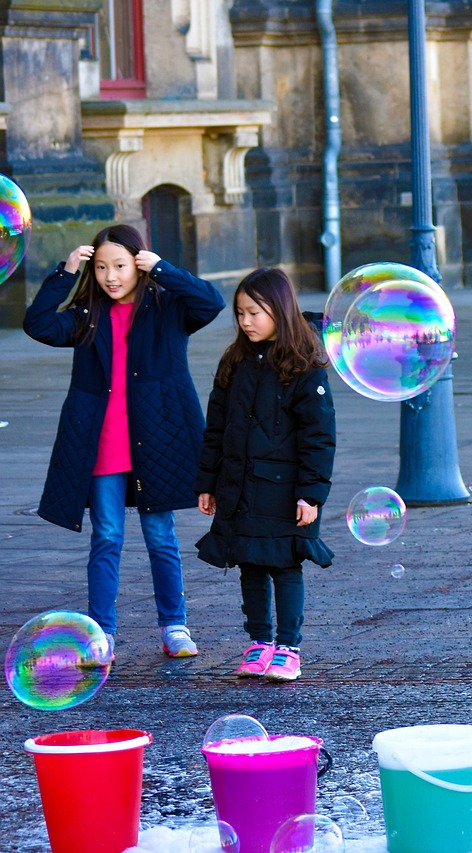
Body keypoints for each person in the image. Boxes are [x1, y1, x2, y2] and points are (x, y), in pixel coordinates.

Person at [22, 224, 224, 660]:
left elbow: (211, 302)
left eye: (120, 265)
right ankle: (102, 632)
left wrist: (165, 269)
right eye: (100, 268)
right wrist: (64, 273)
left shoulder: (167, 308)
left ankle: (175, 626)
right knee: (107, 535)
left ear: (138, 263)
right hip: (102, 444)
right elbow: (37, 324)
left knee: (160, 536)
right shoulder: (86, 316)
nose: (110, 276)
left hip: (156, 442)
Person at [195, 268, 336, 683]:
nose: (246, 321)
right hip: (239, 483)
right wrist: (207, 482)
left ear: (280, 310)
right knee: (250, 565)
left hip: (285, 489)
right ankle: (259, 642)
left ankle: (288, 648)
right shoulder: (234, 362)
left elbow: (319, 437)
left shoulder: (304, 365)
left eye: (255, 312)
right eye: (240, 313)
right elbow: (215, 429)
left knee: (286, 565)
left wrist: (310, 494)